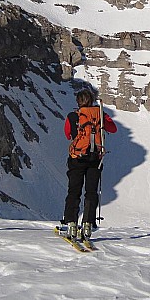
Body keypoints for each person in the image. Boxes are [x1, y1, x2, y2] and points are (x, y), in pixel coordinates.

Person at [62, 89, 117, 241]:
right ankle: (87, 224)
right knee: (91, 191)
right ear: (92, 100)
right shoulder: (100, 114)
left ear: (78, 102)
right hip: (95, 159)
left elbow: (68, 134)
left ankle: (71, 223)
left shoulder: (73, 116)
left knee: (74, 191)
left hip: (77, 158)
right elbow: (113, 128)